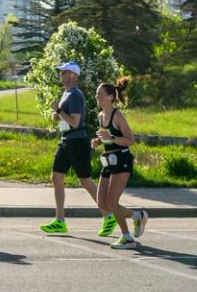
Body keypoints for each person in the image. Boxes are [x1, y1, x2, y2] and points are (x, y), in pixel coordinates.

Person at [40, 62, 105, 235]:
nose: (61, 74)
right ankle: (59, 220)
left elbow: (75, 123)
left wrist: (59, 110)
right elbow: (66, 119)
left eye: (64, 72)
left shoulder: (76, 94)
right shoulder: (66, 92)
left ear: (73, 76)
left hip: (77, 142)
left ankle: (109, 214)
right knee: (56, 177)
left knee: (85, 180)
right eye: (61, 72)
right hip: (66, 140)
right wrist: (58, 115)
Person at [69, 82, 134, 246]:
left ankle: (127, 237)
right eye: (97, 94)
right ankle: (137, 216)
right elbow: (106, 138)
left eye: (100, 94)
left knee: (112, 202)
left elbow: (130, 140)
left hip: (122, 159)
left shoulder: (117, 115)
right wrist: (98, 141)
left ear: (110, 97)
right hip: (108, 160)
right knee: (102, 203)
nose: (97, 96)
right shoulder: (100, 116)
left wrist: (110, 138)